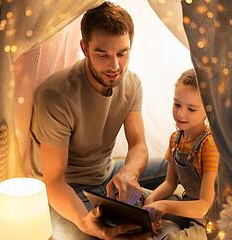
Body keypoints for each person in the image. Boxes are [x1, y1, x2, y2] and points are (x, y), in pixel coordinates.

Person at [29, 2, 168, 239]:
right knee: (103, 234)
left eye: (122, 53)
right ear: (84, 48)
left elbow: (138, 145)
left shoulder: (132, 83)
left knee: (185, 169)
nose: (114, 66)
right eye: (102, 54)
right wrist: (84, 222)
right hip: (66, 189)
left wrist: (129, 172)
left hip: (107, 175)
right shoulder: (56, 96)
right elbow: (53, 181)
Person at [142, 69, 219, 239]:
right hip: (184, 204)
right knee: (134, 195)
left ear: (207, 110)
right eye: (177, 104)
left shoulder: (210, 144)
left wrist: (165, 207)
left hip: (206, 218)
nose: (180, 113)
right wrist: (151, 201)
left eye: (191, 109)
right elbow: (170, 183)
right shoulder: (175, 139)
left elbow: (205, 206)